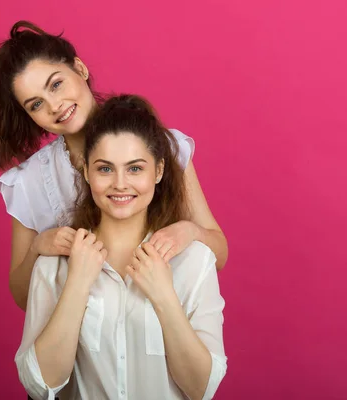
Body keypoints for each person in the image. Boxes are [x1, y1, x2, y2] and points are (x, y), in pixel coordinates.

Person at [0, 21, 229, 311]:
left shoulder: (162, 146)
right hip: (83, 342)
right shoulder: (30, 182)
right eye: (36, 104)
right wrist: (37, 249)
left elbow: (219, 254)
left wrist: (190, 231)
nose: (54, 105)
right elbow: (24, 299)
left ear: (80, 68)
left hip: (165, 325)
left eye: (56, 84)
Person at [15, 94, 227, 400]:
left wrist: (164, 296)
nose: (120, 184)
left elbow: (202, 389)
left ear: (158, 171)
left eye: (135, 169)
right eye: (105, 169)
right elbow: (40, 385)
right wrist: (77, 283)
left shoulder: (194, 260)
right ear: (86, 172)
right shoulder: (55, 262)